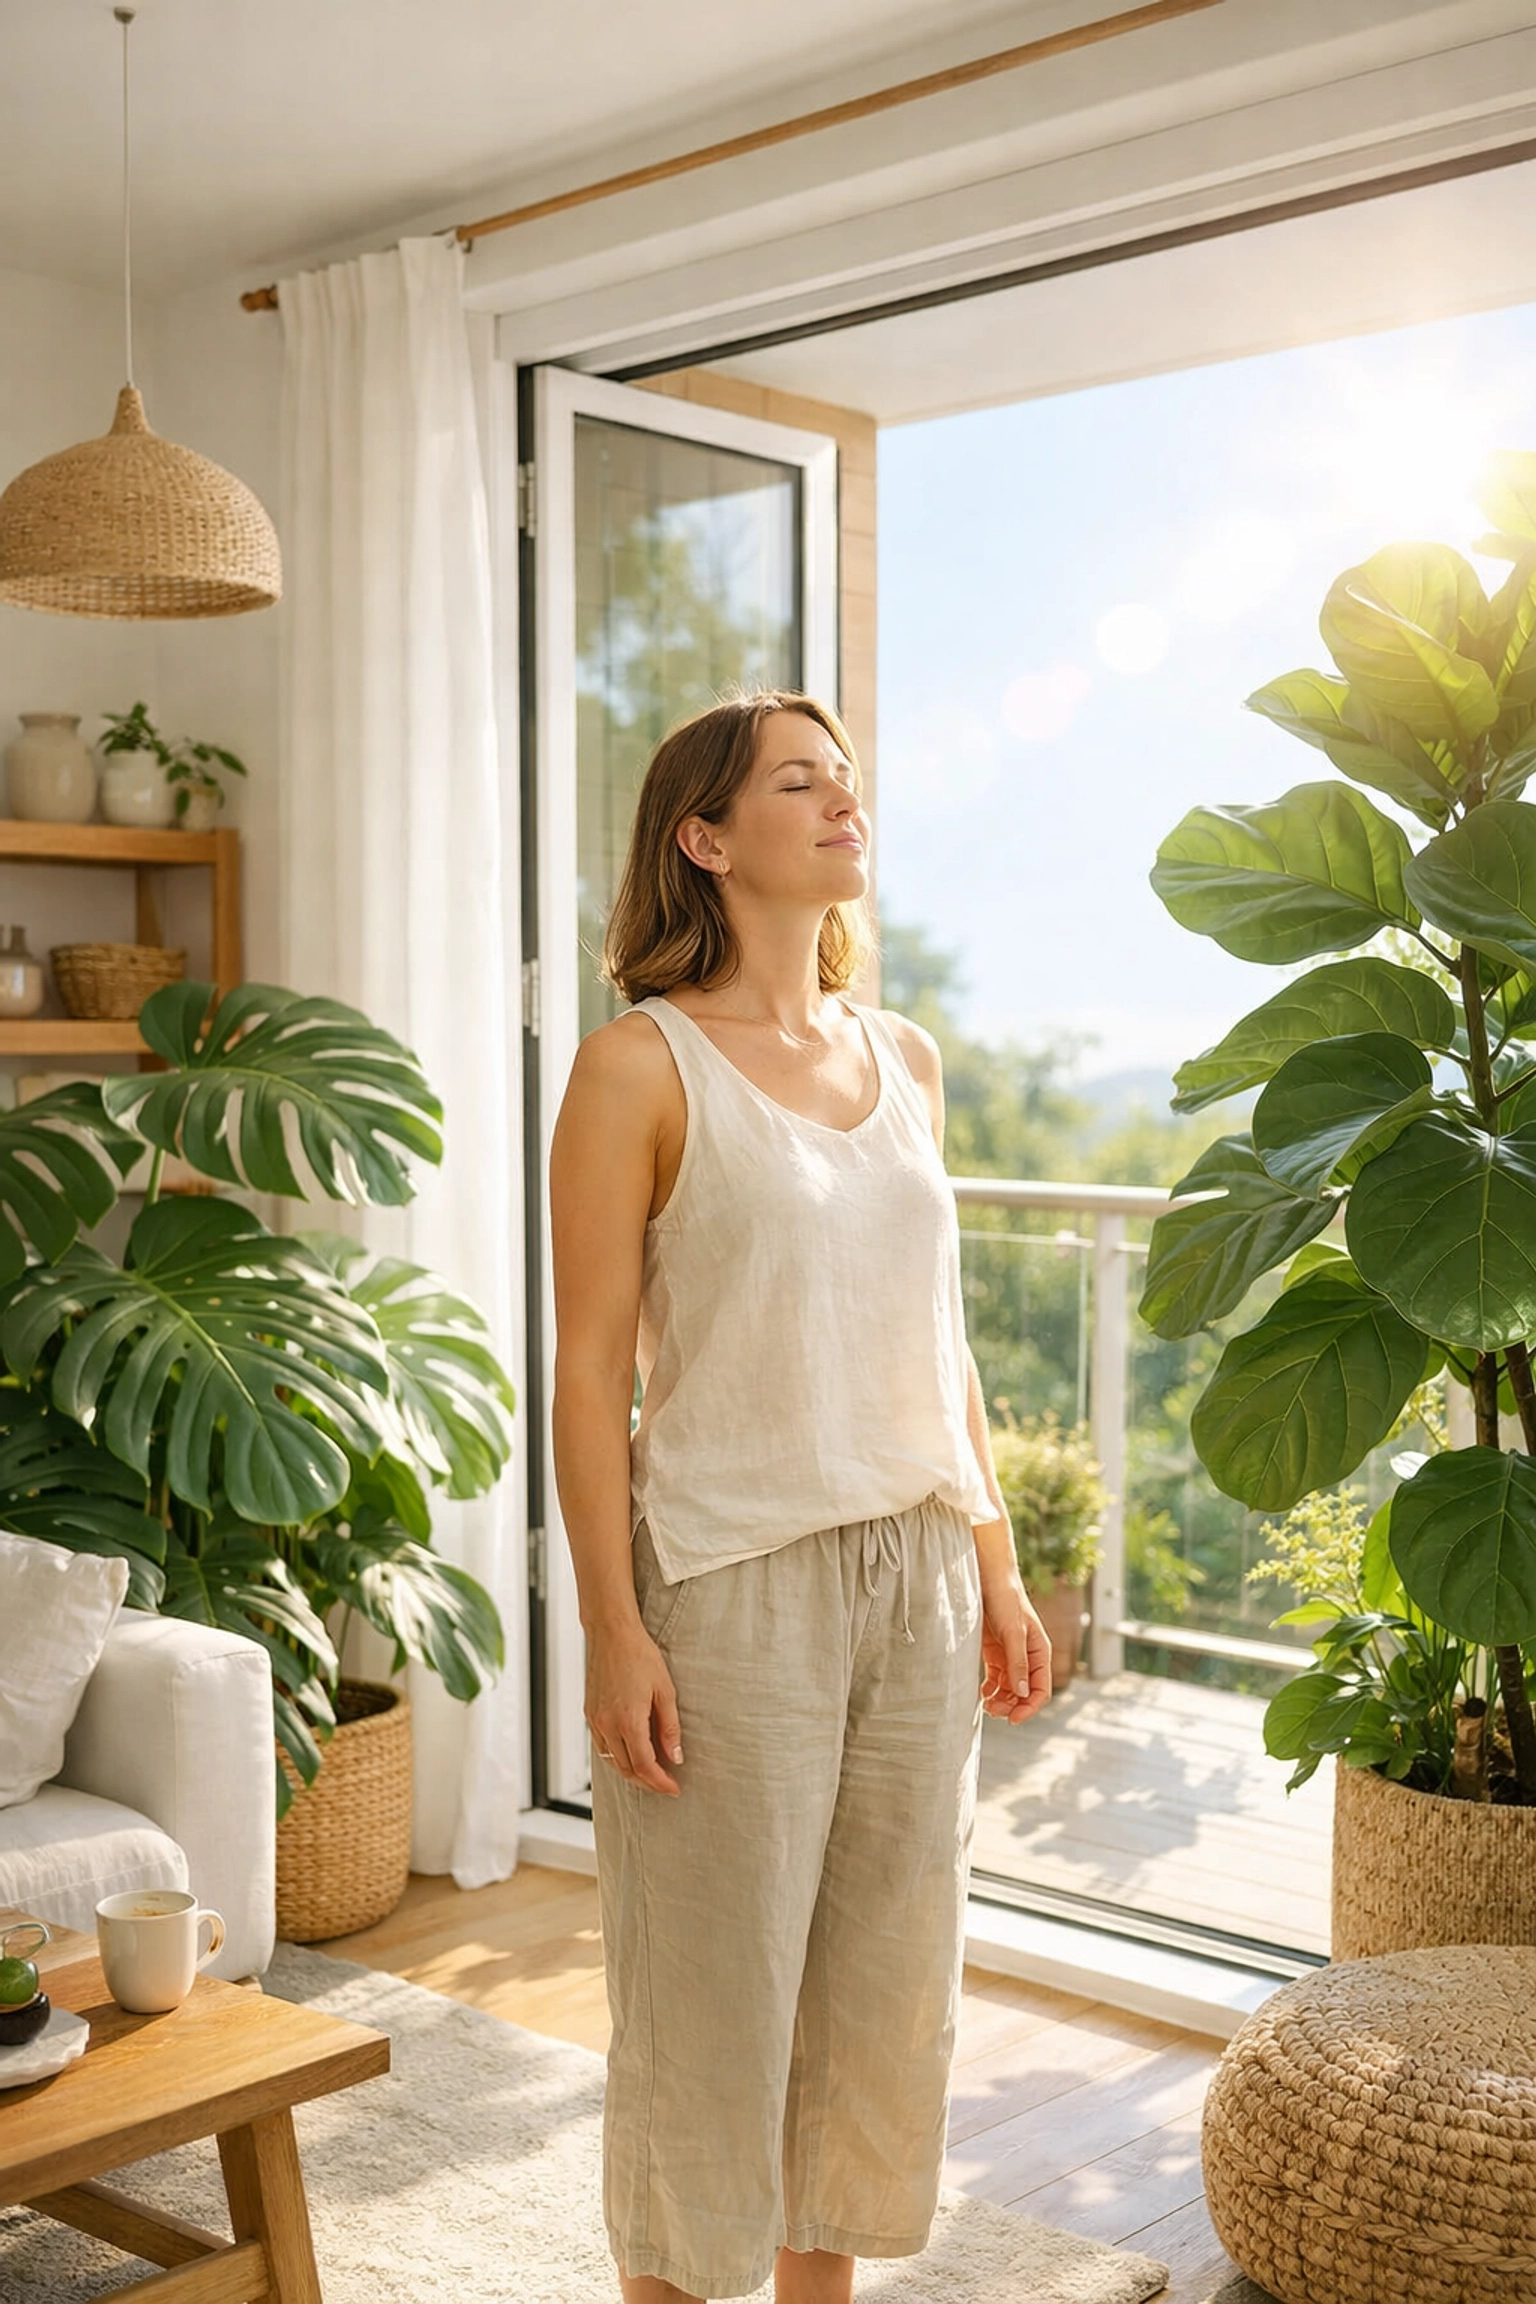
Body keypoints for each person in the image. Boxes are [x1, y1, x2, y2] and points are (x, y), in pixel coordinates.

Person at [549, 689, 1052, 2304]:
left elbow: (940, 1339)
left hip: (912, 1577)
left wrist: (997, 1558)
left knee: (875, 2004)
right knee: (713, 2016)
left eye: (848, 780)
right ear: (706, 838)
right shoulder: (638, 1068)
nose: (846, 803)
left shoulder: (902, 1057)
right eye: (799, 784)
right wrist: (613, 1627)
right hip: (727, 1583)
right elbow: (587, 1376)